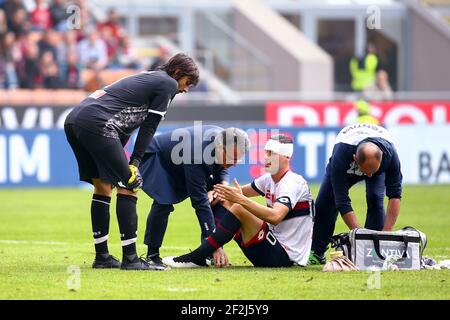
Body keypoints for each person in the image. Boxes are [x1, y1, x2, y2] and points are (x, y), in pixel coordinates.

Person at [63, 53, 199, 270]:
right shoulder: (167, 84)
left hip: (74, 120)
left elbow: (124, 125)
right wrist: (134, 163)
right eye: (187, 83)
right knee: (130, 184)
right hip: (98, 124)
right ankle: (131, 260)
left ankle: (103, 257)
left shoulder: (150, 78)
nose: (185, 89)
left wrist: (127, 160)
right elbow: (149, 127)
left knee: (103, 187)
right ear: (177, 73)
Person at [163, 134, 315, 268]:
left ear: (287, 157)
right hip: (270, 248)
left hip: (285, 257)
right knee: (222, 200)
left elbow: (275, 217)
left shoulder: (292, 183)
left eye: (272, 153)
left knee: (238, 207)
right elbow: (233, 194)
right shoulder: (268, 180)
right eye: (266, 152)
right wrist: (215, 192)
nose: (266, 157)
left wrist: (240, 199)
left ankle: (197, 257)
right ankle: (212, 251)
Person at [139, 126, 250, 270]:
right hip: (157, 159)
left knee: (221, 195)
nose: (234, 164)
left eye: (237, 159)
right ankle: (152, 256)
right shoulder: (197, 154)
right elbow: (200, 202)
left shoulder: (226, 140)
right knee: (163, 202)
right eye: (231, 158)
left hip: (180, 161)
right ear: (220, 148)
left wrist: (222, 184)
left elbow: (221, 169)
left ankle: (207, 253)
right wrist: (214, 245)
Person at [309, 123, 403, 265]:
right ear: (355, 158)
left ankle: (375, 250)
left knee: (375, 198)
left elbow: (395, 195)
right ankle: (317, 252)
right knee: (325, 203)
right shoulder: (341, 155)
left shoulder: (390, 155)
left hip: (371, 154)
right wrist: (359, 236)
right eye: (366, 171)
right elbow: (342, 200)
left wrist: (387, 234)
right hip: (346, 157)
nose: (369, 176)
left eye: (374, 170)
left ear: (382, 158)